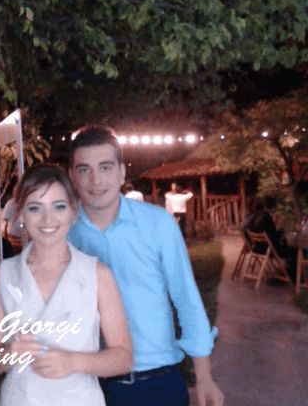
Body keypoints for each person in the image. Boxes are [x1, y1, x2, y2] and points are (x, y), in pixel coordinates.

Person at [67, 125, 223, 406]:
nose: (95, 180)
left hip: (157, 381)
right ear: (72, 176)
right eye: (84, 169)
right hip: (88, 383)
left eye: (105, 167)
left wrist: (204, 377)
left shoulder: (158, 224)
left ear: (121, 173)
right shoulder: (62, 232)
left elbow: (186, 299)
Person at [0, 164, 132, 405]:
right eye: (35, 208)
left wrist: (73, 362)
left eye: (59, 206)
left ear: (73, 210)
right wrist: (10, 353)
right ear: (20, 214)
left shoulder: (97, 274)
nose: (48, 219)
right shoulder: (3, 275)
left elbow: (123, 358)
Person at [242, 197, 297, 278]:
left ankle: (288, 271)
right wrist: (283, 232)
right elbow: (273, 236)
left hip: (255, 248)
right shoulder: (265, 217)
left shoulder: (248, 217)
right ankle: (294, 276)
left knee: (289, 246)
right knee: (296, 251)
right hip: (267, 250)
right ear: (263, 206)